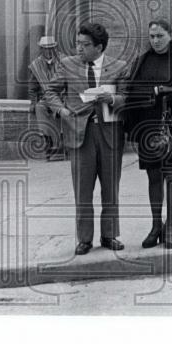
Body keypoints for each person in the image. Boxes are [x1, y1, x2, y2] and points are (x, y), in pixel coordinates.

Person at [43, 22, 129, 255]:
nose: (79, 48)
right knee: (83, 189)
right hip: (80, 133)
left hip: (109, 133)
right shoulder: (67, 64)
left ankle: (110, 235)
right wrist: (62, 111)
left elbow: (126, 96)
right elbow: (49, 92)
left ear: (99, 47)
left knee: (111, 187)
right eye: (77, 43)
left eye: (85, 45)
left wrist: (111, 100)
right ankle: (84, 239)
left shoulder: (119, 67)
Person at [122, 19, 172, 250]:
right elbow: (132, 95)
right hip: (148, 129)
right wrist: (135, 133)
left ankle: (170, 226)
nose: (155, 41)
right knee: (154, 177)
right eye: (152, 36)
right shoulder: (141, 62)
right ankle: (155, 225)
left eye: (160, 36)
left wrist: (164, 93)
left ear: (170, 36)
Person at [27, 35, 66, 161]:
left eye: (51, 48)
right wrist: (33, 102)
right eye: (45, 48)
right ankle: (48, 140)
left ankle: (62, 143)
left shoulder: (64, 60)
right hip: (48, 97)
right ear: (41, 49)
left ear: (55, 48)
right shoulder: (36, 65)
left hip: (64, 95)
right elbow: (33, 88)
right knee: (39, 107)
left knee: (65, 110)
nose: (49, 51)